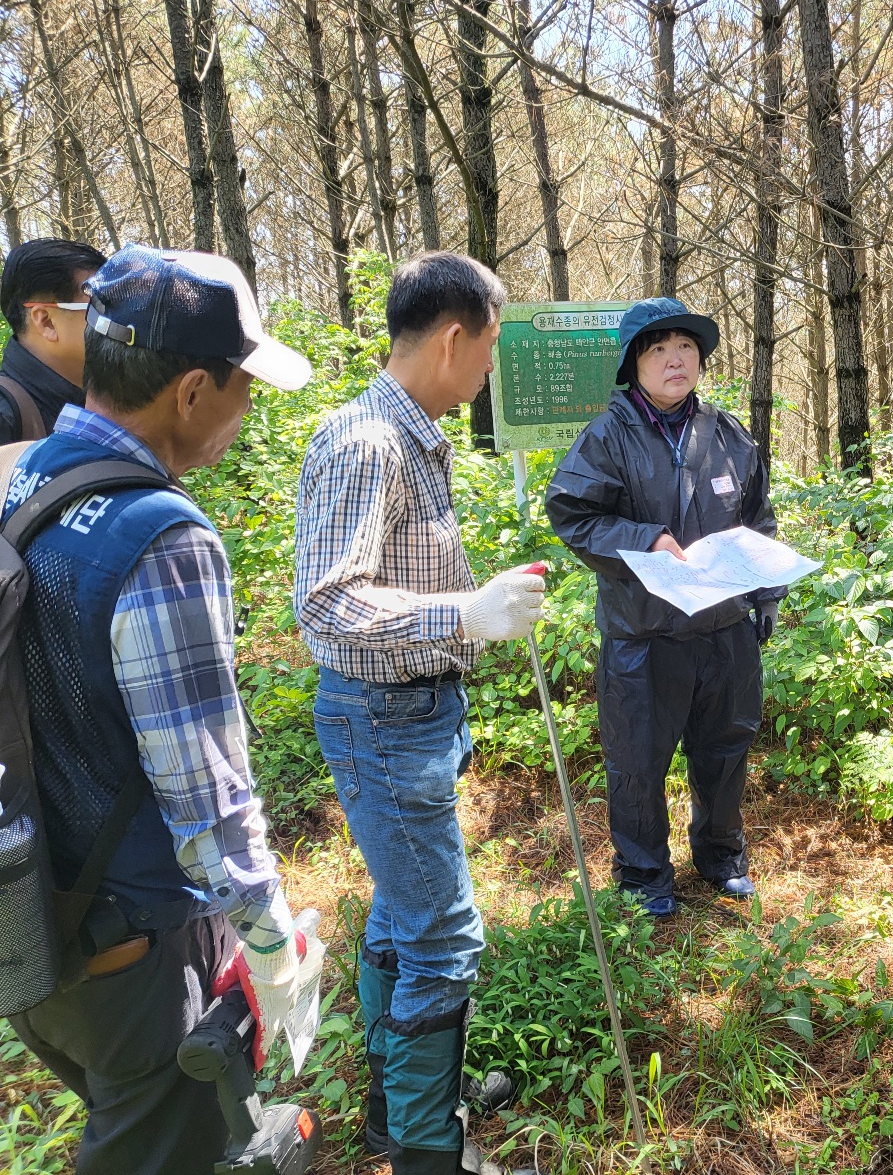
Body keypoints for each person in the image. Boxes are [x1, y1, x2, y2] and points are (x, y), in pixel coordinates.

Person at [3, 244, 312, 1175]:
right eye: (242, 388)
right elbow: (204, 792)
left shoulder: (21, 475)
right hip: (134, 949)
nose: (246, 413)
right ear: (189, 393)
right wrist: (271, 946)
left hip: (34, 919)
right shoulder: (161, 537)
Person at [294, 251, 544, 1175]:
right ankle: (428, 1149)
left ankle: (402, 1105)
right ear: (452, 338)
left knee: (405, 919)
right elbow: (324, 601)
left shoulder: (411, 437)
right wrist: (464, 613)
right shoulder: (368, 443)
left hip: (413, 712)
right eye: (488, 349)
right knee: (443, 937)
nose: (487, 372)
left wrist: (473, 606)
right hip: (383, 715)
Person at [545, 297, 782, 918]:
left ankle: (721, 855)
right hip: (642, 634)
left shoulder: (727, 434)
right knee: (637, 762)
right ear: (634, 364)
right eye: (658, 349)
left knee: (725, 749)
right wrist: (643, 537)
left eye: (686, 347)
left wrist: (766, 593)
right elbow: (573, 515)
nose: (676, 360)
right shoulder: (606, 435)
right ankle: (644, 873)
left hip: (723, 629)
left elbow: (758, 520)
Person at [0, 238, 107, 442]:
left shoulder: (106, 400)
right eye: (101, 308)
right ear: (46, 322)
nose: (117, 321)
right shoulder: (6, 418)